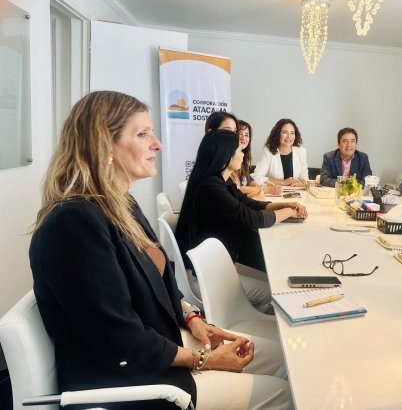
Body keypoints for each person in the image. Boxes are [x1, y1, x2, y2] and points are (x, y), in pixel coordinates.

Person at [29, 91, 292, 410]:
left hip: (163, 343)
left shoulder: (120, 204)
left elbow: (157, 281)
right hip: (136, 383)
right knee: (284, 392)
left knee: (285, 358)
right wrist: (203, 359)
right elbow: (120, 338)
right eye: (143, 134)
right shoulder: (73, 223)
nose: (157, 144)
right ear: (104, 146)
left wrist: (193, 317)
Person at [176, 129, 308, 313]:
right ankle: (250, 323)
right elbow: (252, 218)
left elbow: (248, 203)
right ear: (226, 155)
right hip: (204, 278)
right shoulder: (210, 187)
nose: (243, 154)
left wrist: (284, 205)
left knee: (273, 279)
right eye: (239, 150)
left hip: (213, 265)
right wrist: (289, 211)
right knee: (276, 293)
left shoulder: (219, 181)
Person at [252, 118, 308, 187]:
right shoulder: (268, 151)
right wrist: (283, 182)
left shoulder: (301, 151)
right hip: (275, 192)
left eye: (292, 133)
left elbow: (305, 178)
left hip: (297, 192)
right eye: (285, 132)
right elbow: (257, 177)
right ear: (277, 134)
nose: (289, 136)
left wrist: (302, 182)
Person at [237, 120, 280, 199]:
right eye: (240, 134)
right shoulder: (230, 159)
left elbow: (248, 178)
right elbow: (237, 189)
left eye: (247, 135)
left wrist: (255, 186)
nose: (243, 138)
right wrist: (264, 189)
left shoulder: (243, 158)